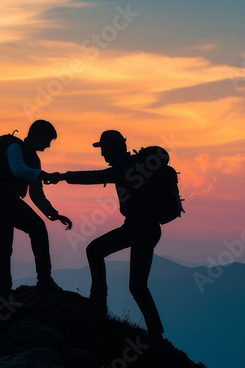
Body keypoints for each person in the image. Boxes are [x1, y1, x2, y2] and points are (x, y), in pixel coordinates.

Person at [46, 130, 165, 339]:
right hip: (148, 228)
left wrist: (63, 177)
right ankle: (156, 333)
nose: (102, 155)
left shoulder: (125, 168)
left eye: (104, 149)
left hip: (138, 228)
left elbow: (96, 176)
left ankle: (98, 306)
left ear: (113, 148)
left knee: (95, 250)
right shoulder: (132, 166)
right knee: (137, 285)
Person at [0, 120, 72, 295]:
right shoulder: (14, 147)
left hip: (9, 201)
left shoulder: (34, 159)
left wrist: (54, 214)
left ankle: (44, 279)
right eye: (48, 140)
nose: (48, 145)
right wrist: (42, 174)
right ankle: (5, 292)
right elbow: (19, 170)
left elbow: (36, 194)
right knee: (3, 248)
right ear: (37, 136)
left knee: (36, 229)